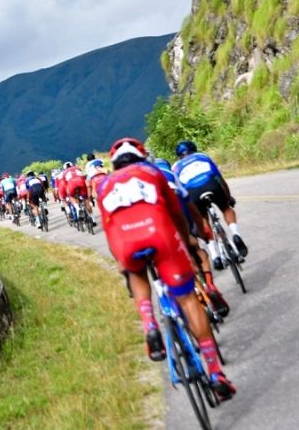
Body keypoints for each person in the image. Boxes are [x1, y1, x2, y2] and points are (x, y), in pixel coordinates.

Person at [97, 137, 235, 401]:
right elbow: (177, 213)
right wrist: (188, 244)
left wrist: (121, 264)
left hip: (125, 242)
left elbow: (109, 229)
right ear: (141, 157)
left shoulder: (104, 186)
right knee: (187, 300)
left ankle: (150, 323)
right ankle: (216, 373)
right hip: (160, 236)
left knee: (135, 273)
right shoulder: (153, 172)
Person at [153, 158, 229, 317]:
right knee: (195, 248)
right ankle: (209, 285)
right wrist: (202, 232)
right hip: (179, 206)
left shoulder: (146, 178)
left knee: (173, 257)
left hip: (157, 219)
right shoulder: (171, 174)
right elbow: (190, 204)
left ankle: (196, 291)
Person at [172, 141, 248, 270]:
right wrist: (228, 197)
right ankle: (236, 234)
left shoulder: (175, 166)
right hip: (211, 184)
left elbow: (180, 192)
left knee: (203, 220)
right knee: (225, 209)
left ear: (179, 155)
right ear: (194, 149)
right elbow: (219, 178)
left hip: (193, 192)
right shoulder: (202, 156)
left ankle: (215, 256)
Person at [62, 162, 96, 226]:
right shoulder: (77, 168)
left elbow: (64, 184)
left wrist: (67, 194)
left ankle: (78, 208)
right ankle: (93, 219)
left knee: (71, 196)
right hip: (81, 182)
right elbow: (84, 175)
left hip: (71, 184)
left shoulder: (64, 173)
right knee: (86, 200)